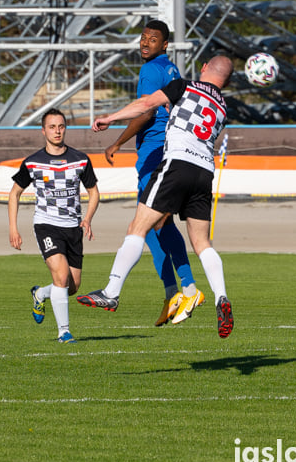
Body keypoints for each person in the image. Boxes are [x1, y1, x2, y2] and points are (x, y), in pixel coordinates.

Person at [76, 56, 235, 338]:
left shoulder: (183, 86)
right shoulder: (223, 107)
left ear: (205, 67)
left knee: (138, 227)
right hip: (204, 173)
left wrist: (110, 118)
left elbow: (146, 104)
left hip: (177, 164)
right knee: (201, 242)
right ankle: (221, 297)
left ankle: (111, 292)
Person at [103, 20, 198, 327]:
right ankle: (174, 290)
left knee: (152, 222)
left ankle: (187, 287)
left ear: (164, 45)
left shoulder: (150, 71)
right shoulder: (172, 71)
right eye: (143, 38)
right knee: (152, 226)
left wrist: (117, 140)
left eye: (152, 39)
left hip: (154, 153)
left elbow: (146, 112)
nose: (145, 43)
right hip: (168, 149)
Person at [8, 108, 100, 343]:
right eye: (52, 127)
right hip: (46, 225)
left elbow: (93, 192)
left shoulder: (80, 159)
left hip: (73, 227)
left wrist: (87, 218)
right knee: (60, 276)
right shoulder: (33, 162)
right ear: (43, 131)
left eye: (61, 126)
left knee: (72, 286)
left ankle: (40, 294)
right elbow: (14, 194)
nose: (57, 131)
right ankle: (64, 332)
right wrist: (13, 228)